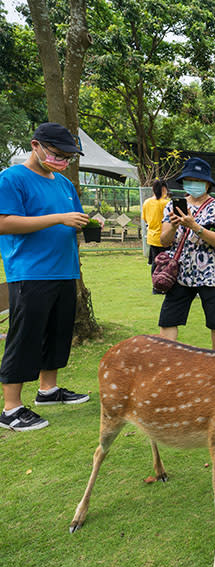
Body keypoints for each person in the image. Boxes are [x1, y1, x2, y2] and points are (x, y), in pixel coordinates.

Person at [0, 122, 91, 432]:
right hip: (30, 271)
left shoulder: (64, 184)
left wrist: (82, 224)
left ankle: (48, 391)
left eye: (67, 157)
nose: (62, 161)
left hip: (64, 269)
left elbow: (71, 220)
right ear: (35, 145)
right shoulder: (12, 179)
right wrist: (59, 218)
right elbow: (4, 222)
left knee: (57, 332)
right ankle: (11, 408)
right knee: (25, 336)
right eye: (56, 155)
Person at [158, 157, 215, 350]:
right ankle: (165, 362)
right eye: (190, 180)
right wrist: (174, 226)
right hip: (180, 272)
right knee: (168, 319)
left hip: (212, 274)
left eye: (198, 180)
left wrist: (195, 226)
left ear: (208, 183)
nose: (194, 184)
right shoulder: (171, 206)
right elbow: (164, 241)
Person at [141, 178, 171, 283]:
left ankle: (156, 285)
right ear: (164, 189)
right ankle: (165, 284)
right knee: (167, 263)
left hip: (152, 238)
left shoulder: (146, 202)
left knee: (155, 262)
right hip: (166, 238)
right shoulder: (167, 203)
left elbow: (145, 218)